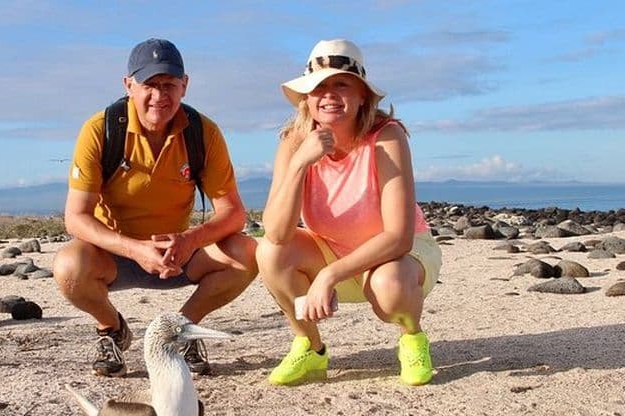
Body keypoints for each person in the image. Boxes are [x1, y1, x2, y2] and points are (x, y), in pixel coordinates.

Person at [54, 38, 257, 378]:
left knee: (248, 252)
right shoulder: (100, 130)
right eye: (149, 84)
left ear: (185, 85)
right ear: (128, 85)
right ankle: (111, 330)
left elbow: (234, 214)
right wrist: (134, 249)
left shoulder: (203, 132)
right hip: (114, 254)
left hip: (178, 254)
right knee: (69, 267)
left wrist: (190, 240)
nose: (160, 96)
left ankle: (183, 330)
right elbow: (75, 218)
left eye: (169, 85)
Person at [256, 39, 442, 387]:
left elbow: (398, 237)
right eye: (318, 87)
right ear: (306, 98)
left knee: (390, 288)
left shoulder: (387, 137)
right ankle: (310, 347)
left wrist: (328, 277)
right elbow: (277, 232)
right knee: (269, 252)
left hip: (397, 255)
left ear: (361, 96)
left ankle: (412, 337)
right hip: (331, 247)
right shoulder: (294, 142)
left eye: (341, 84)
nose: (328, 95)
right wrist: (300, 163)